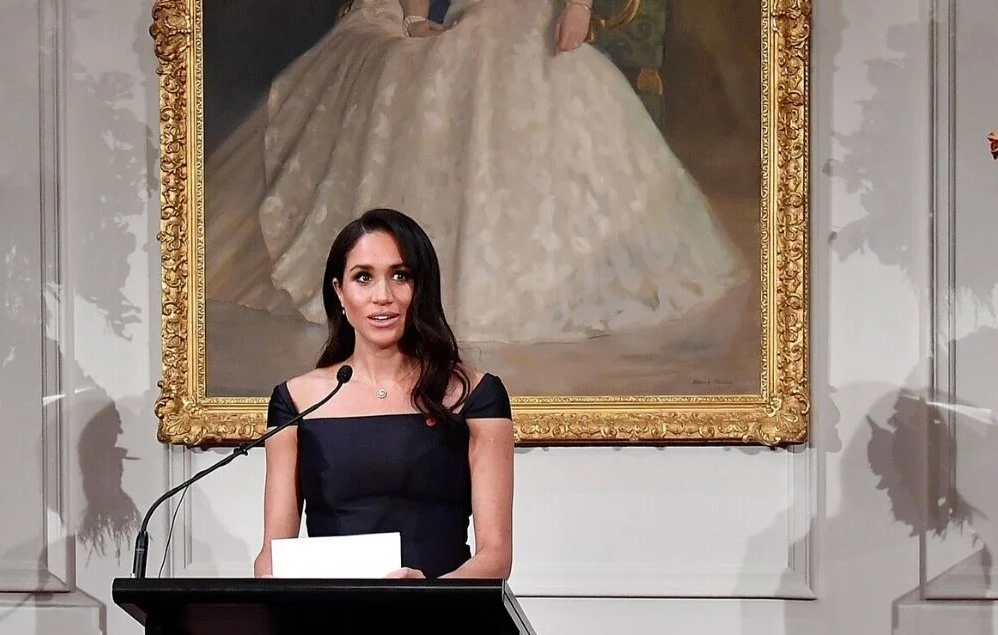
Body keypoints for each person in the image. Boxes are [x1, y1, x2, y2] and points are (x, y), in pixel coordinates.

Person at [257, 0, 750, 347]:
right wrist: (415, 17)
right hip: (466, 19)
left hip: (534, 18)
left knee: (528, 70)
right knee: (440, 72)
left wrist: (579, 6)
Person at [252, 208, 515, 580]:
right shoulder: (296, 401)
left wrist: (424, 597)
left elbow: (496, 556)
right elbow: (272, 554)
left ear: (421, 287)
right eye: (363, 277)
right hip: (329, 614)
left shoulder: (475, 394)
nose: (383, 296)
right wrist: (271, 586)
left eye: (400, 276)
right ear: (339, 291)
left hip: (444, 613)